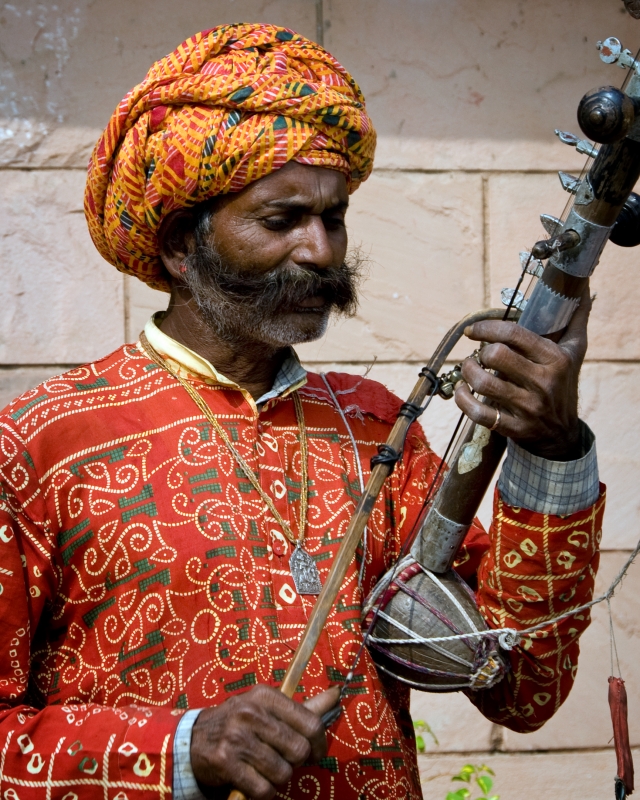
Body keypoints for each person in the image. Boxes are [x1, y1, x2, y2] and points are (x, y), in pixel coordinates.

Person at [0, 23, 604, 800]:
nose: (320, 251)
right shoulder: (43, 442)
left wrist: (552, 450)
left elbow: (522, 688)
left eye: (334, 217)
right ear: (183, 245)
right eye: (282, 220)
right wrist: (186, 747)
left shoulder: (375, 423)